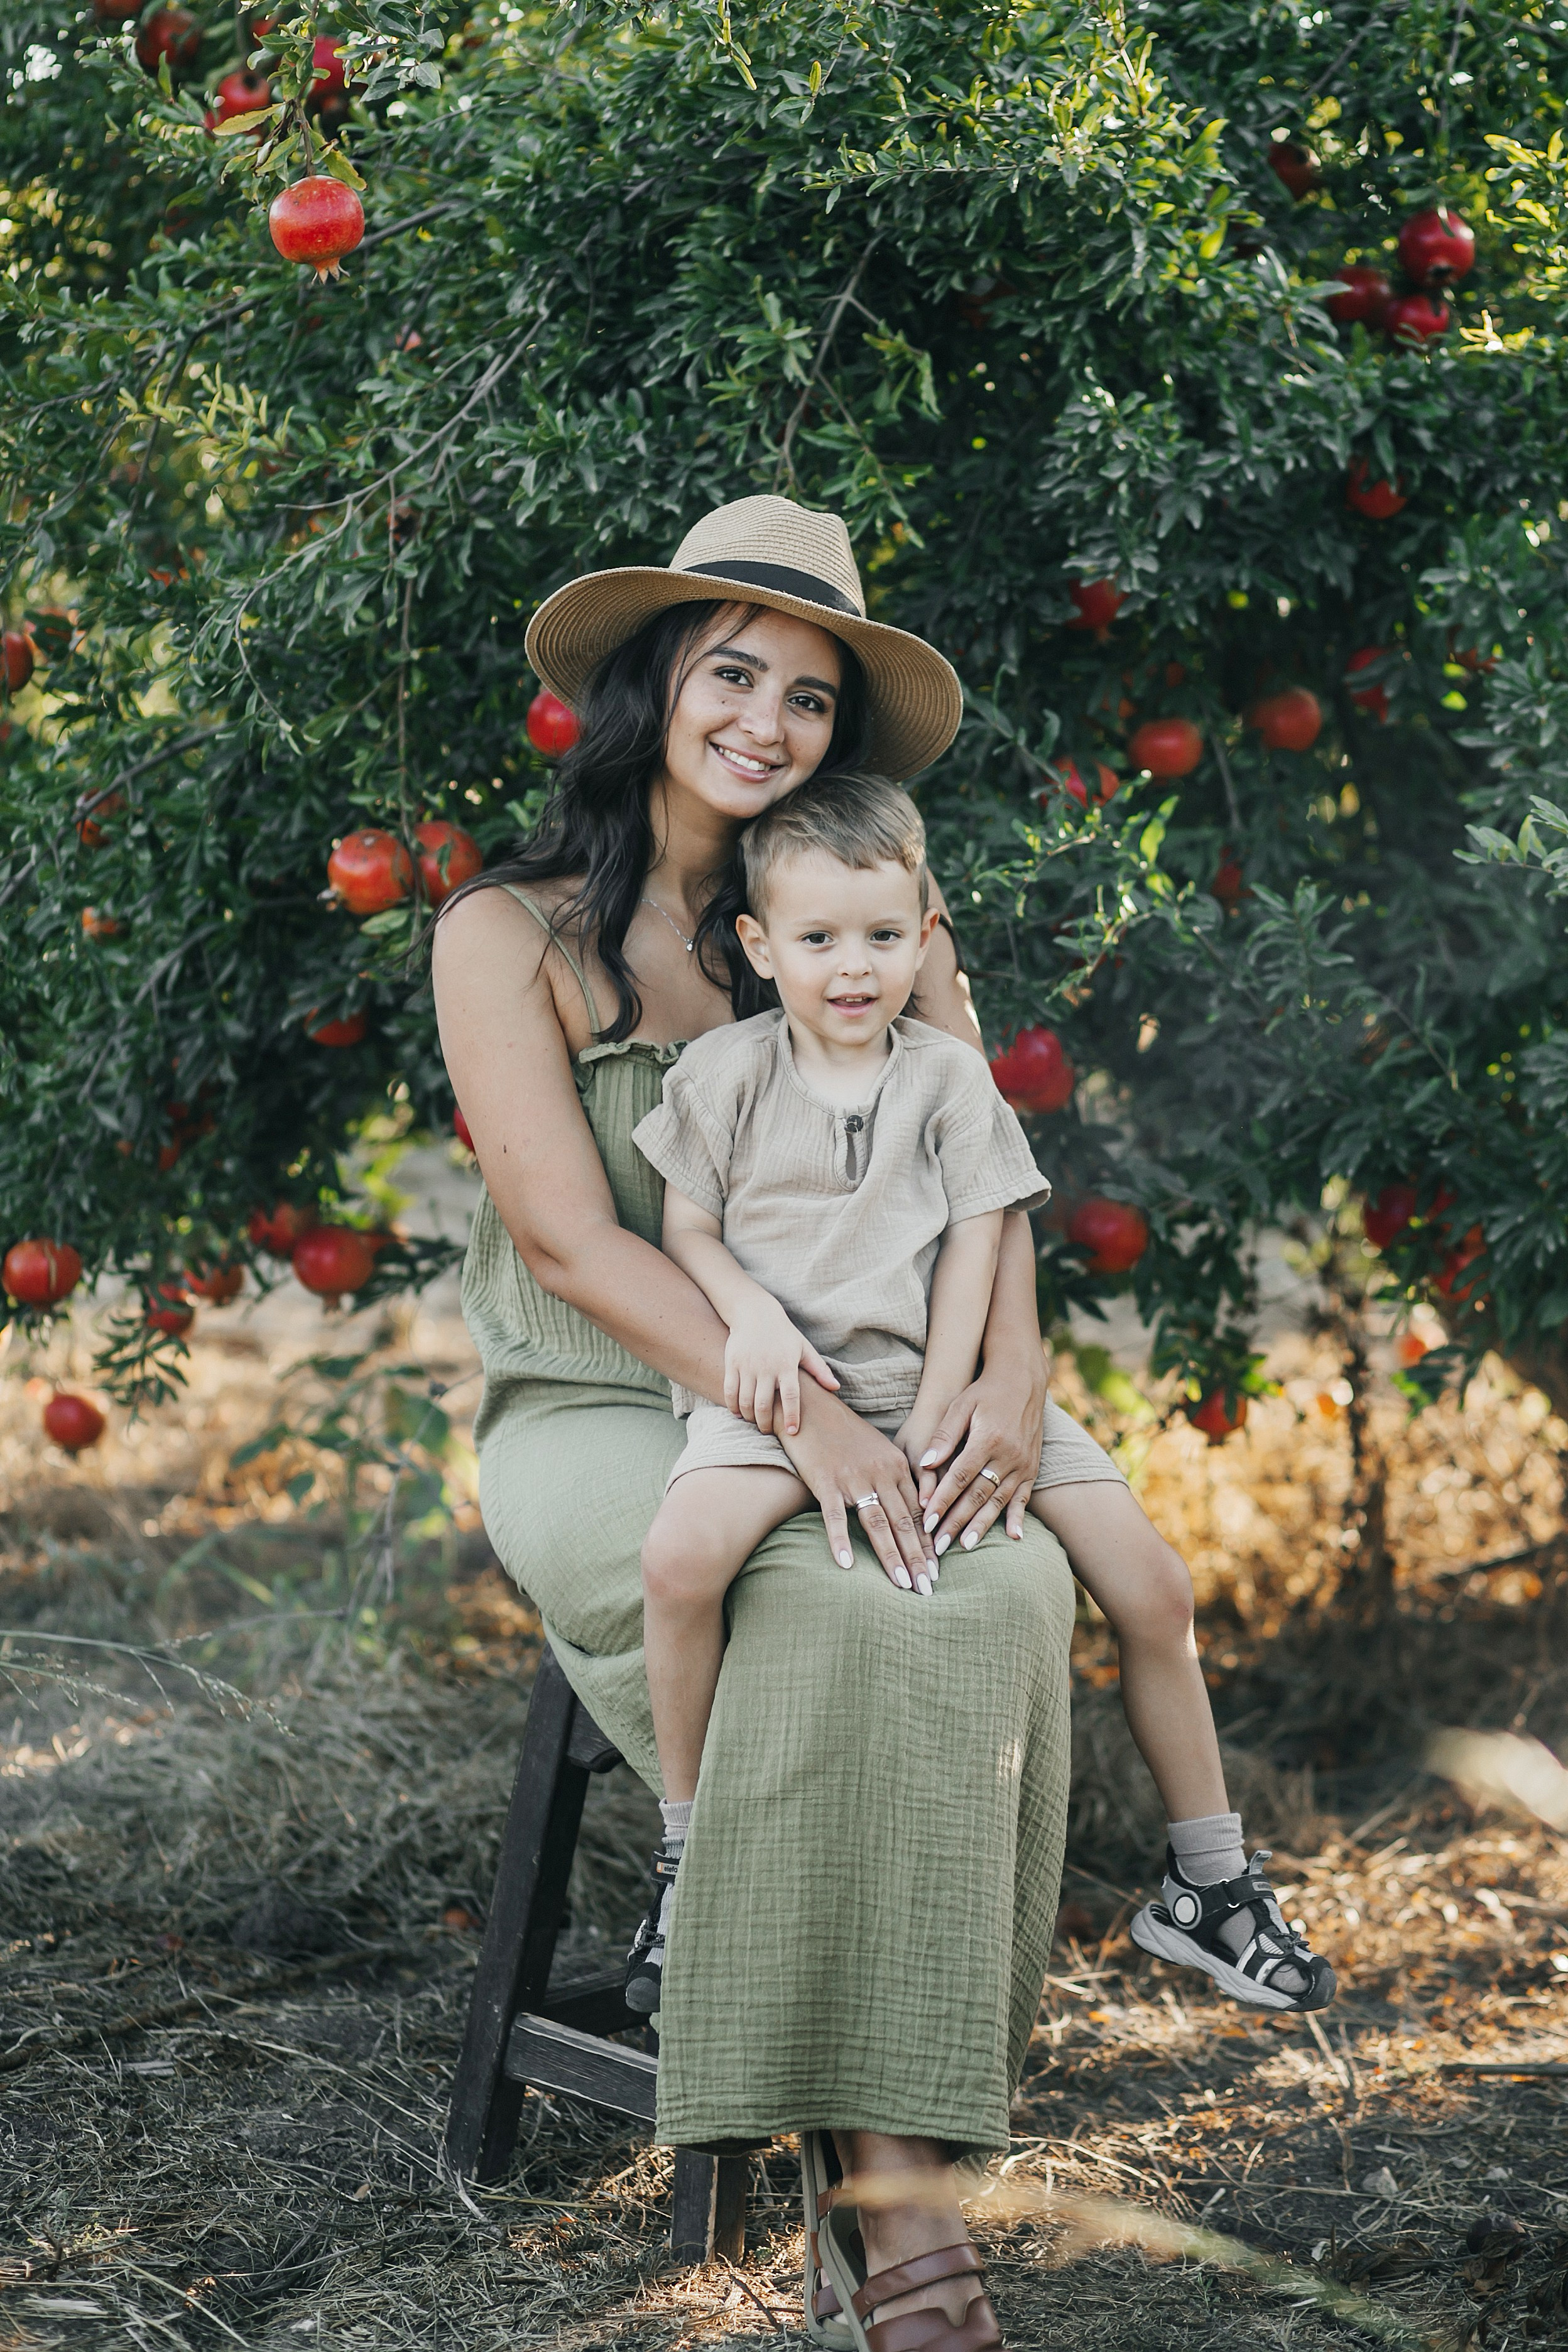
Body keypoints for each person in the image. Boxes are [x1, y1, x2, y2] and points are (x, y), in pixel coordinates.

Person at [430, 494, 1285, 2352]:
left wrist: (1008, 1383)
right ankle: (892, 2216)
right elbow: (577, 1247)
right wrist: (805, 1419)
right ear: (655, 686)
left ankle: (898, 2140)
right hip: (609, 1404)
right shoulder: (509, 933)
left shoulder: (864, 914)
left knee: (992, 1594)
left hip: (895, 1388)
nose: (768, 724)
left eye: (810, 698)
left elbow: (991, 1185)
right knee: (816, 1606)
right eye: (732, 675)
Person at [621, 770, 1334, 2038]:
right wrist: (756, 1320)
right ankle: (689, 1857)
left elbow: (976, 1246)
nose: (855, 968)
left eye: (885, 938)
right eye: (821, 939)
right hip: (786, 1389)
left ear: (924, 938)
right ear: (758, 945)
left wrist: (943, 1410)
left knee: (1155, 1587)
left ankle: (1210, 1882)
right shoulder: (726, 1075)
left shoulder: (949, 1082)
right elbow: (688, 1230)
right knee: (679, 1565)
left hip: (935, 1385)